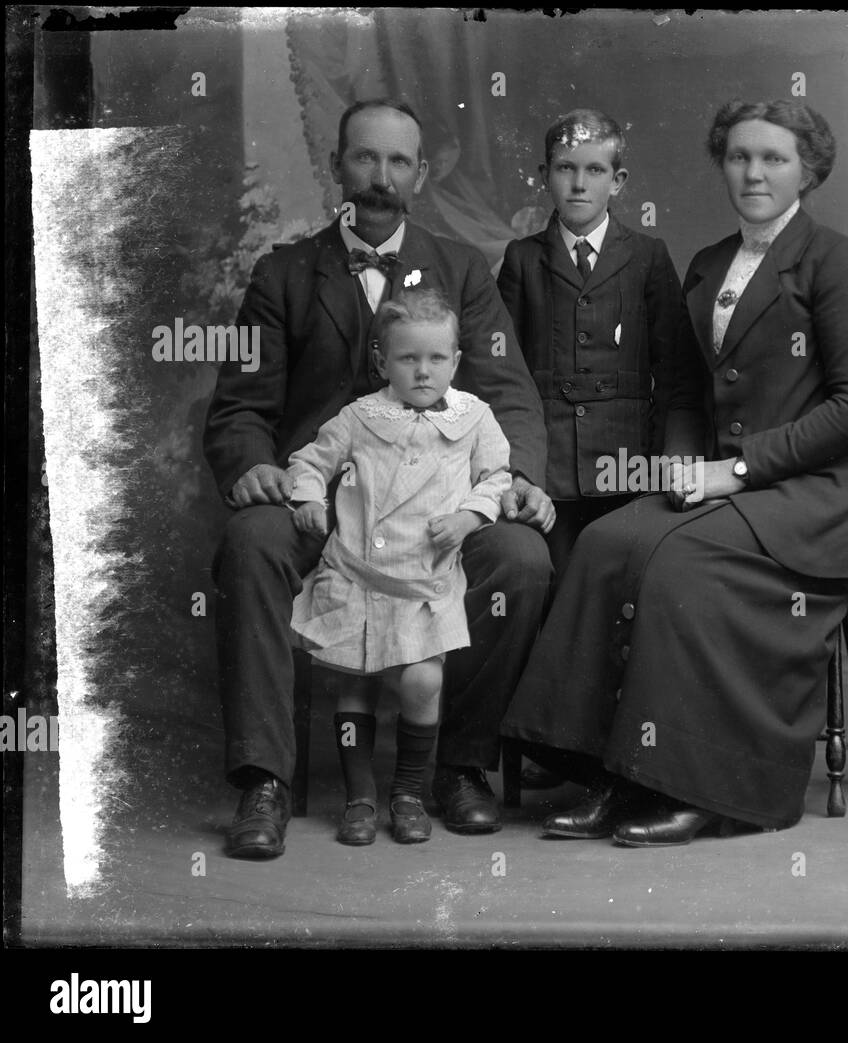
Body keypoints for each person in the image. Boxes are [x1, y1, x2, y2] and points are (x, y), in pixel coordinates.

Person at [501, 99, 848, 846]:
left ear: (807, 169)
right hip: (728, 480)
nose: (754, 172)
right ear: (722, 164)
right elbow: (684, 384)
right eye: (740, 156)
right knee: (607, 543)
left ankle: (700, 786)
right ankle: (607, 772)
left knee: (679, 566)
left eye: (774, 158)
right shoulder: (712, 263)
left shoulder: (841, 262)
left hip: (818, 493)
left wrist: (737, 469)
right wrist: (685, 463)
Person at [206, 98, 554, 859]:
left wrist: (519, 473)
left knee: (520, 561)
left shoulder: (463, 269)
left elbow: (507, 390)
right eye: (365, 158)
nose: (381, 177)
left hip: (432, 504)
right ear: (338, 166)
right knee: (249, 544)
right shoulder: (284, 272)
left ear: (421, 174)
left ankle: (456, 766)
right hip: (321, 507)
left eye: (399, 162)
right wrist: (258, 464)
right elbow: (240, 406)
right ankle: (263, 779)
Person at [286, 288, 511, 845]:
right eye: (408, 359)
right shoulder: (362, 418)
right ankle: (359, 797)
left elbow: (497, 477)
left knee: (422, 679)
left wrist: (468, 517)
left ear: (456, 362)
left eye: (437, 359)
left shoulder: (473, 418)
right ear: (382, 361)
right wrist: (310, 499)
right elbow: (311, 461)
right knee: (356, 686)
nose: (423, 371)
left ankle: (408, 791)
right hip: (359, 575)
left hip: (424, 582)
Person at [497, 108, 684, 581]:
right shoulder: (522, 260)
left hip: (627, 464)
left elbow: (677, 373)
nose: (579, 184)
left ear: (617, 181)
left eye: (594, 170)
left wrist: (662, 464)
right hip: (550, 466)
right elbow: (507, 375)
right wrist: (520, 467)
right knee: (552, 586)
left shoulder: (647, 256)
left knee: (622, 588)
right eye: (565, 168)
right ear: (545, 176)